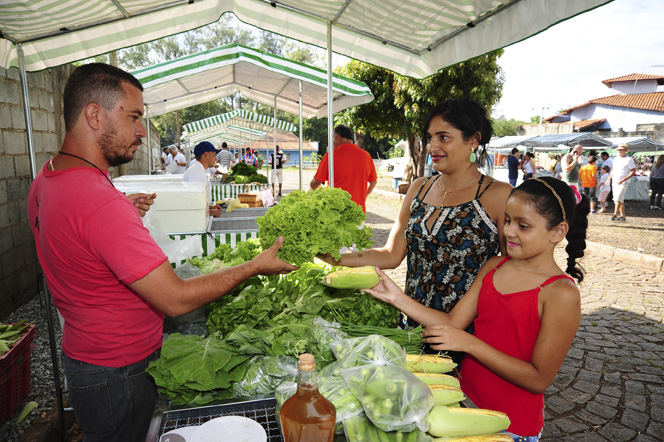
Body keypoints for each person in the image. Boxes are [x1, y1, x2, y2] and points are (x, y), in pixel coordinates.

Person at [26, 63, 297, 442]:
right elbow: (175, 298)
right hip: (120, 371)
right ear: (94, 115)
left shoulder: (47, 178)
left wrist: (117, 213)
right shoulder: (100, 203)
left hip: (85, 357)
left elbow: (76, 238)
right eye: (133, 116)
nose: (141, 131)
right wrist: (253, 266)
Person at [365, 177, 589, 441]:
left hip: (509, 426)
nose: (509, 232)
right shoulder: (494, 266)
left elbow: (538, 379)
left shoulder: (561, 293)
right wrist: (396, 298)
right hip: (462, 405)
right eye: (507, 220)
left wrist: (469, 343)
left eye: (523, 226)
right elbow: (453, 322)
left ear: (558, 232)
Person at [318, 99, 512, 363]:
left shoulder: (499, 195)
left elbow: (511, 268)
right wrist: (335, 258)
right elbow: (390, 254)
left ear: (473, 140)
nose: (432, 147)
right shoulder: (419, 188)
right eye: (430, 138)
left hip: (467, 335)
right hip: (412, 329)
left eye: (444, 137)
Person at [310, 124, 378, 213]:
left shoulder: (331, 155)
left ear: (338, 138)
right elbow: (373, 182)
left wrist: (316, 197)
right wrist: (364, 196)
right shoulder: (366, 155)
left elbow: (315, 183)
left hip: (335, 211)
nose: (332, 142)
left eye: (333, 137)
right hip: (358, 211)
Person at [183, 141, 223, 217]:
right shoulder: (196, 172)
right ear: (206, 154)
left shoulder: (200, 170)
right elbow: (194, 202)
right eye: (214, 155)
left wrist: (209, 208)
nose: (215, 159)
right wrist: (208, 212)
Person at [608, 144, 636, 221]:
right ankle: (623, 216)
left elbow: (633, 171)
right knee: (618, 199)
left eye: (621, 150)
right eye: (619, 150)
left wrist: (624, 179)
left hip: (624, 181)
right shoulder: (615, 159)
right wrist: (609, 179)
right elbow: (613, 170)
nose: (619, 151)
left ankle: (615, 214)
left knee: (618, 197)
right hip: (615, 181)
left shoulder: (629, 159)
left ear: (625, 150)